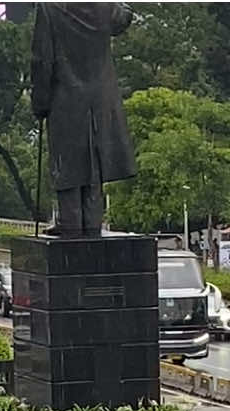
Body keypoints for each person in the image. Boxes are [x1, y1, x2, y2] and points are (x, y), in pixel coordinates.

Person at [30, 3, 137, 237]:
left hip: (65, 98)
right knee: (94, 163)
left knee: (67, 162)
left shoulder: (49, 8)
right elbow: (125, 17)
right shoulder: (104, 7)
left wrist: (40, 103)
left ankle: (70, 222)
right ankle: (92, 223)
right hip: (100, 97)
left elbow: (42, 60)